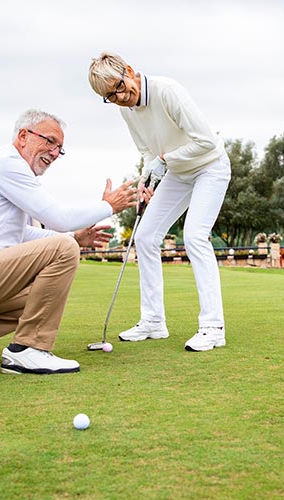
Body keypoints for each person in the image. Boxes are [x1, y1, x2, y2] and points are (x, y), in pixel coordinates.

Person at [0, 109, 137, 374]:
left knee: (46, 290)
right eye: (50, 141)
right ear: (24, 136)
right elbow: (57, 217)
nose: (55, 153)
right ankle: (28, 350)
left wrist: (75, 238)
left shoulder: (6, 169)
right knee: (63, 250)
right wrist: (107, 207)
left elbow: (20, 235)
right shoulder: (7, 164)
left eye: (60, 148)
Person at [88, 52, 231, 352]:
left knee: (194, 236)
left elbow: (207, 141)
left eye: (118, 87)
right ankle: (153, 321)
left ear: (129, 70)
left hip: (210, 166)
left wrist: (164, 160)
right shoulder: (125, 110)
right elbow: (147, 152)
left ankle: (213, 327)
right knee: (145, 236)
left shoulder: (167, 91)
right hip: (178, 173)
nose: (119, 97)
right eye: (109, 97)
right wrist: (147, 179)